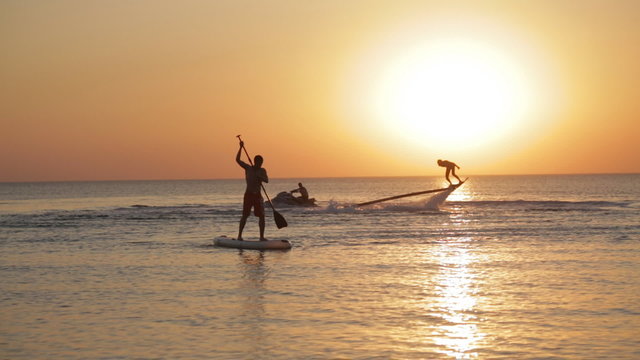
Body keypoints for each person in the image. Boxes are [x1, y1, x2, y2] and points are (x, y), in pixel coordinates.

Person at [236, 141, 269, 241]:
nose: (260, 164)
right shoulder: (248, 168)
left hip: (258, 195)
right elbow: (237, 160)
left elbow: (267, 180)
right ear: (255, 162)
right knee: (245, 215)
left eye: (261, 163)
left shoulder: (262, 170)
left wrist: (260, 177)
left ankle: (261, 237)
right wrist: (241, 148)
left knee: (262, 216)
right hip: (248, 194)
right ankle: (239, 236)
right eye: (259, 163)